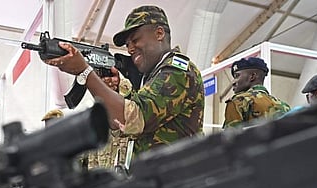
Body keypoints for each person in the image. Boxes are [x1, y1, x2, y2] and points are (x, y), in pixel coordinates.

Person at [44, 5, 204, 157]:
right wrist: (118, 91)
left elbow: (133, 117)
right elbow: (119, 126)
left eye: (135, 40)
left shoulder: (177, 71)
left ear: (159, 33)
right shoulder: (152, 77)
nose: (130, 49)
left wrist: (85, 72)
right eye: (128, 44)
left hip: (175, 179)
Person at [223, 57, 291, 128]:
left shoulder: (238, 102)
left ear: (252, 76)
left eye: (237, 76)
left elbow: (231, 137)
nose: (233, 82)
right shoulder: (284, 107)